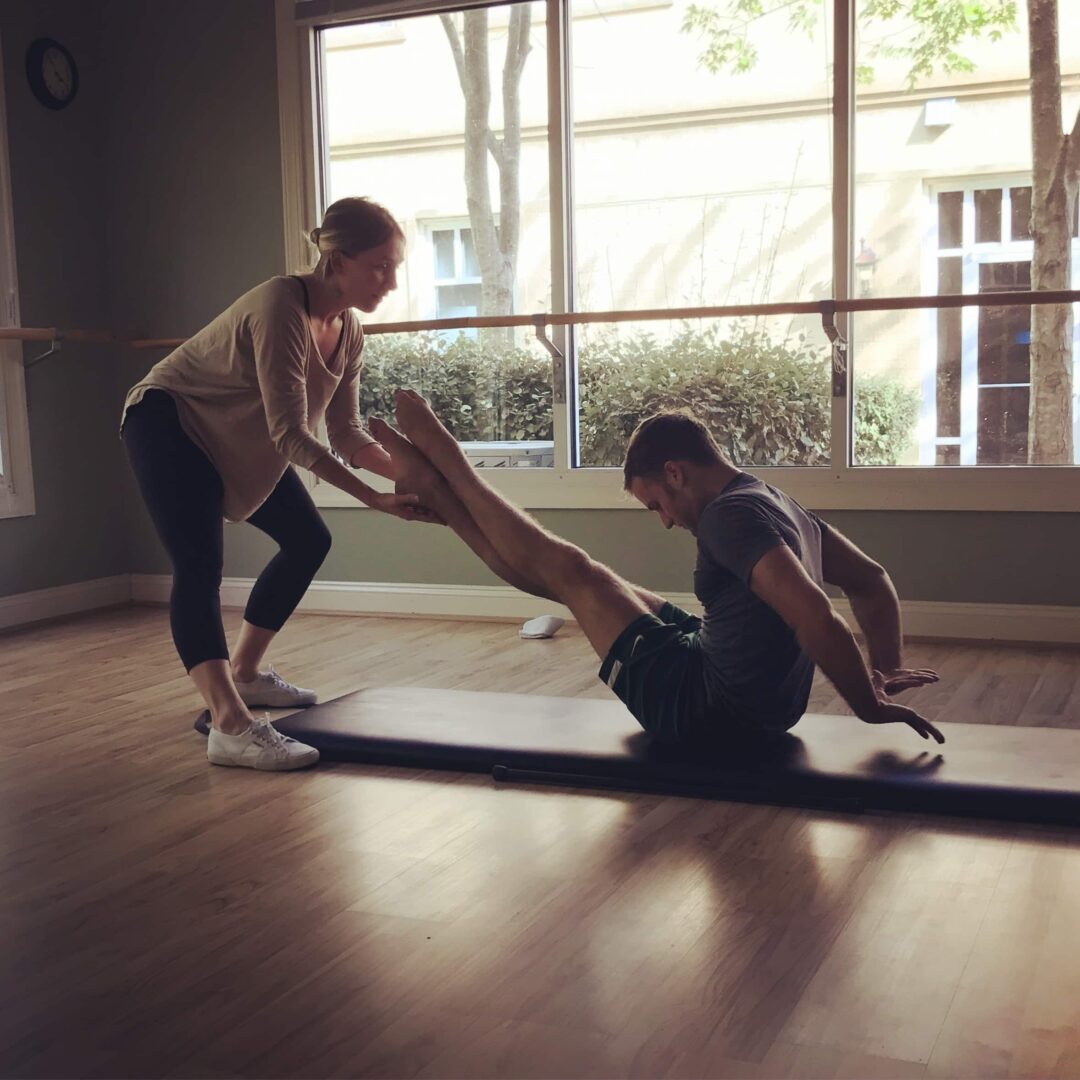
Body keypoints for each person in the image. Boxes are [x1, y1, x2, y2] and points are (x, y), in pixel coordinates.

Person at [367, 391, 944, 748]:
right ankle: (443, 499)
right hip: (742, 696)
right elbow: (872, 581)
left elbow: (817, 619)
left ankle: (449, 466)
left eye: (657, 504)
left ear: (674, 472)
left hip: (706, 713)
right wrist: (885, 667)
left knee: (575, 573)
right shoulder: (773, 500)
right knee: (590, 582)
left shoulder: (727, 518)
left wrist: (869, 706)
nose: (665, 520)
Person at [121, 197, 439, 772]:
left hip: (238, 438)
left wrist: (414, 480)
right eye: (380, 266)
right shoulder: (279, 306)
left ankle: (246, 674)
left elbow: (345, 432)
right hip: (170, 423)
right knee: (198, 566)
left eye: (396, 267)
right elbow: (291, 435)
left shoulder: (349, 330)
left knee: (308, 541)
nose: (391, 281)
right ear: (338, 260)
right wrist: (373, 500)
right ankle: (229, 724)